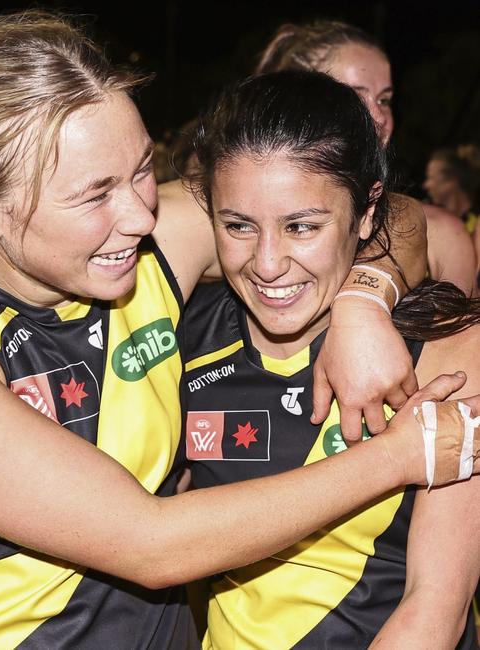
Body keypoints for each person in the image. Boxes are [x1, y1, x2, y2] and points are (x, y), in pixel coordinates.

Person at [0, 12, 478, 648]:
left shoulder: (147, 246)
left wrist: (365, 301)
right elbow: (151, 545)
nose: (139, 211)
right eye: (95, 194)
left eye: (142, 169)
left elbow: (371, 205)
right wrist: (403, 455)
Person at [183, 71, 480, 649]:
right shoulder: (185, 340)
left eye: (302, 226)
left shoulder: (452, 346)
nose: (267, 264)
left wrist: (364, 303)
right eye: (238, 225)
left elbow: (435, 608)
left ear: (368, 214)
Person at [256, 20, 477, 296]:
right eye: (352, 98)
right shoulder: (234, 227)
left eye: (384, 100)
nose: (379, 118)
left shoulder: (442, 235)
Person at [424, 145, 480, 235]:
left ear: (452, 180)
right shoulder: (431, 221)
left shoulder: (476, 228)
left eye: (431, 178)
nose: (426, 185)